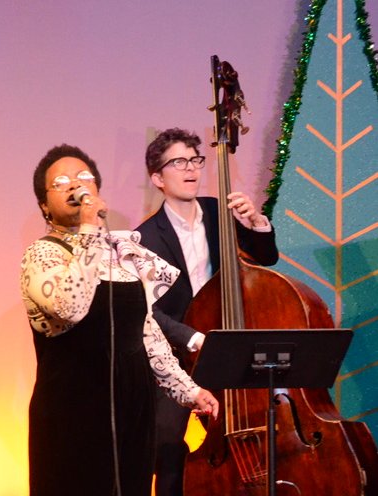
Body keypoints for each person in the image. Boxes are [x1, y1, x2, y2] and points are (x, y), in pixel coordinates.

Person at [20, 144, 219, 496]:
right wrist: (88, 230)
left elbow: (146, 331)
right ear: (44, 206)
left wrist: (189, 390)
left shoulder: (120, 254)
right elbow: (70, 307)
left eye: (84, 177)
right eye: (61, 182)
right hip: (74, 408)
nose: (74, 185)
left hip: (133, 406)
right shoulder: (42, 254)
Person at [135, 128, 279, 496]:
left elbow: (266, 258)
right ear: (157, 178)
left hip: (228, 344)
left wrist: (256, 223)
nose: (191, 169)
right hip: (179, 354)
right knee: (167, 444)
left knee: (258, 429)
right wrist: (193, 338)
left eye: (195, 160)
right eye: (178, 162)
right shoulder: (145, 238)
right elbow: (148, 312)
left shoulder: (218, 212)